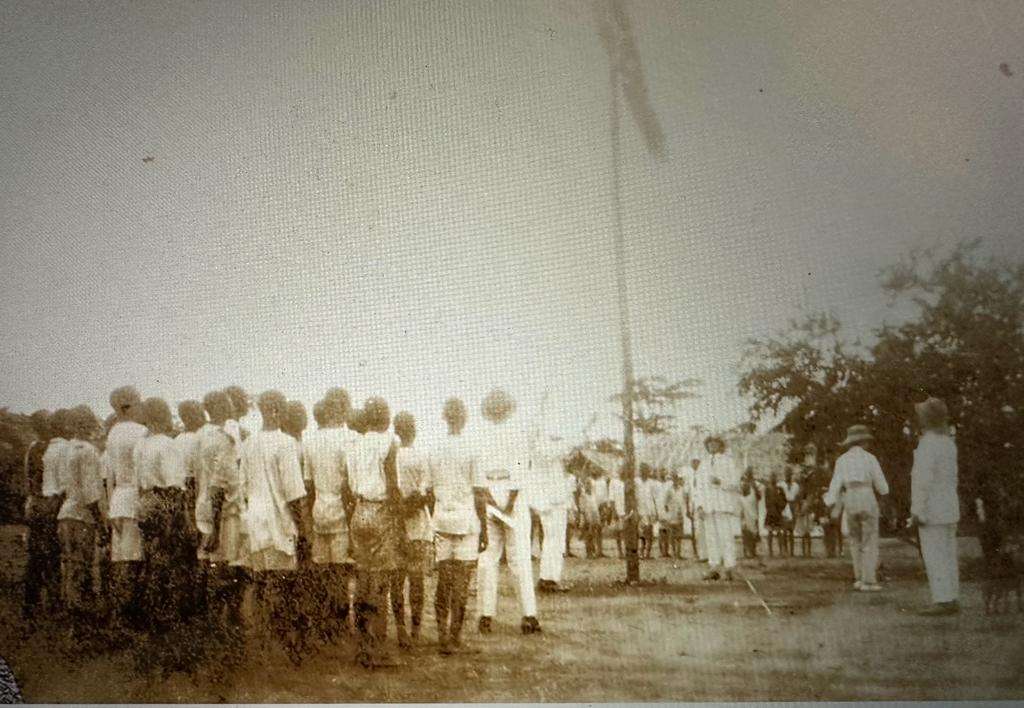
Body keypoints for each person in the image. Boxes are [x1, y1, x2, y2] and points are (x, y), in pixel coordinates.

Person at [239, 391, 308, 664]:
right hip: (279, 520)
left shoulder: (249, 443)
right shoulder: (286, 443)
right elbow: (293, 492)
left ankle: (265, 641)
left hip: (255, 518)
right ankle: (283, 643)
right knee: (284, 583)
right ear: (279, 410)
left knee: (261, 581)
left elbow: (242, 484)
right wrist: (302, 529)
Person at [133, 397, 192, 674]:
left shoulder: (142, 444)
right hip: (162, 506)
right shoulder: (167, 445)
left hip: (144, 503)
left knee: (152, 567)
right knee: (168, 570)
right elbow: (173, 487)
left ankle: (153, 630)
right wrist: (174, 522)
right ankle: (169, 640)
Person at [475, 388, 541, 636]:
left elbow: (479, 472)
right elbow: (521, 470)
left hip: (491, 493)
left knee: (488, 558)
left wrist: (491, 499)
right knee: (518, 558)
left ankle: (486, 615)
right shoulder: (518, 433)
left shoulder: (481, 434)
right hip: (510, 495)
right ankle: (528, 615)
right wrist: (510, 502)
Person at [344, 396, 402, 668]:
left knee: (363, 579)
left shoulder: (354, 444)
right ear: (385, 417)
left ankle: (362, 645)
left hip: (359, 509)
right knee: (380, 583)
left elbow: (348, 485)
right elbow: (392, 484)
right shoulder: (389, 442)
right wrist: (399, 521)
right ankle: (378, 648)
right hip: (380, 511)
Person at [428, 397, 486, 655]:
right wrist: (482, 526)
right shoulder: (473, 448)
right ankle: (454, 636)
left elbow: (429, 492)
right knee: (461, 584)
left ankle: (442, 635)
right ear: (464, 418)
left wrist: (436, 516)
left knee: (444, 581)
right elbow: (480, 491)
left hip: (441, 520)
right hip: (465, 521)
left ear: (444, 417)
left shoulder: (434, 448)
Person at [301, 390, 359, 642]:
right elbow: (349, 486)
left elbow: (308, 487)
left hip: (319, 512)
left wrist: (308, 521)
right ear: (342, 409)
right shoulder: (350, 439)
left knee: (322, 571)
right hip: (341, 513)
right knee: (340, 572)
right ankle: (338, 624)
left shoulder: (310, 441)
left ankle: (323, 623)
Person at [196, 389, 247, 671]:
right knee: (227, 569)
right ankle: (226, 626)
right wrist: (215, 526)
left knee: (212, 568)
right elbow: (220, 484)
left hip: (205, 507)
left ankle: (216, 625)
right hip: (224, 514)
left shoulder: (201, 437)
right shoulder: (225, 439)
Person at [57, 406, 105, 641]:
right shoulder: (89, 451)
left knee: (69, 566)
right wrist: (100, 520)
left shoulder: (64, 449)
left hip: (65, 512)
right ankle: (80, 627)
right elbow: (91, 493)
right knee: (82, 567)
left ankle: (71, 620)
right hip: (82, 516)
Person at [103, 386, 149, 630]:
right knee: (134, 560)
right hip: (134, 498)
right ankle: (129, 617)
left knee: (121, 560)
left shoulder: (113, 433)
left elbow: (109, 473)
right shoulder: (141, 432)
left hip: (118, 498)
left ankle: (118, 615)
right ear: (130, 405)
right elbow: (142, 472)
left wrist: (110, 503)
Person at [910, 398, 961, 615]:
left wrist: (917, 509)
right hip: (949, 504)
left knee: (934, 554)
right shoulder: (948, 443)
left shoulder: (927, 444)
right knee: (949, 554)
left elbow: (922, 480)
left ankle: (942, 599)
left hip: (932, 507)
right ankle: (951, 596)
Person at [825, 424, 889, 592]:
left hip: (850, 497)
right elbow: (882, 486)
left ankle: (859, 578)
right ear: (864, 442)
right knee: (870, 539)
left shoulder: (842, 460)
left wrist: (831, 503)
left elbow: (835, 485)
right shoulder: (870, 458)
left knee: (855, 540)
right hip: (866, 494)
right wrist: (883, 493)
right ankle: (869, 580)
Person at [391, 411, 431, 648]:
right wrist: (412, 505)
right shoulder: (421, 455)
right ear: (414, 430)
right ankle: (415, 629)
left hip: (397, 522)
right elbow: (426, 493)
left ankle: (400, 629)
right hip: (416, 523)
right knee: (416, 580)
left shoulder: (392, 456)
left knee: (397, 580)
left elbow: (392, 491)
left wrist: (401, 509)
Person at [21, 410, 63, 624]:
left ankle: (31, 603)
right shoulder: (52, 448)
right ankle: (55, 602)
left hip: (34, 502)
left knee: (35, 554)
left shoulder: (32, 448)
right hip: (48, 502)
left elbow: (28, 479)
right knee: (52, 554)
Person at [529, 431, 572, 592]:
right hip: (551, 501)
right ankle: (549, 579)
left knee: (553, 540)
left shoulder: (542, 444)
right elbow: (563, 448)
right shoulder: (543, 445)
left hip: (552, 500)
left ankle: (549, 578)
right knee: (554, 540)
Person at [695, 436, 740, 581]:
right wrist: (700, 506)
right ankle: (714, 568)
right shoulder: (703, 464)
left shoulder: (728, 461)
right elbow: (699, 487)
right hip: (708, 507)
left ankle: (729, 568)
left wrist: (720, 481)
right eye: (709, 444)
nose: (712, 446)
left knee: (726, 537)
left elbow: (735, 484)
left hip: (723, 505)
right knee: (711, 538)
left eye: (715, 443)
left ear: (720, 445)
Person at [661, 474, 688, 559]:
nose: (676, 481)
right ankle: (673, 552)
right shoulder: (669, 490)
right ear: (673, 480)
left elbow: (685, 500)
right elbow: (665, 502)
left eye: (678, 479)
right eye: (675, 479)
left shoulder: (682, 489)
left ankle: (678, 553)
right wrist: (668, 513)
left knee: (679, 535)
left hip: (679, 513)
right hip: (672, 514)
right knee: (672, 535)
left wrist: (683, 510)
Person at [686, 459, 706, 561]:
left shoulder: (703, 474)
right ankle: (699, 553)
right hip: (694, 505)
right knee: (696, 531)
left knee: (704, 530)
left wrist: (702, 505)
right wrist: (688, 509)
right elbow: (687, 493)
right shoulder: (690, 476)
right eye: (692, 462)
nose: (694, 464)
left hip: (703, 505)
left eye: (696, 462)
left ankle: (704, 554)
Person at [739, 468, 761, 560]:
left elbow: (759, 497)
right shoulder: (744, 484)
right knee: (746, 530)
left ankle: (752, 551)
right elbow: (743, 496)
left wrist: (755, 489)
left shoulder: (754, 484)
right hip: (746, 509)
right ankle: (746, 552)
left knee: (753, 531)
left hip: (753, 509)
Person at [763, 471, 787, 557]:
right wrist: (770, 509)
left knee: (779, 532)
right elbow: (766, 501)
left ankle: (781, 551)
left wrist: (781, 508)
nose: (773, 479)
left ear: (776, 479)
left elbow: (784, 500)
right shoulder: (767, 489)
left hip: (778, 512)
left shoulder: (780, 489)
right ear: (770, 478)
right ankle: (770, 552)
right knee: (770, 532)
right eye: (771, 477)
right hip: (770, 513)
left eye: (774, 477)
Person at [636, 464, 657, 559]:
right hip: (639, 509)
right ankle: (641, 552)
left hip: (650, 509)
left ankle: (647, 552)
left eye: (645, 470)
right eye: (642, 470)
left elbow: (655, 497)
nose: (643, 472)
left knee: (649, 532)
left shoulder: (652, 483)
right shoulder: (636, 482)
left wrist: (656, 511)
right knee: (641, 533)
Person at [607, 468, 626, 558]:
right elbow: (611, 498)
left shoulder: (627, 481)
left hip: (627, 510)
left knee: (626, 532)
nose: (622, 471)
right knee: (618, 532)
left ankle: (627, 551)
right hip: (618, 510)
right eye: (621, 469)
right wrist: (613, 511)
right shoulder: (613, 482)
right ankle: (620, 552)